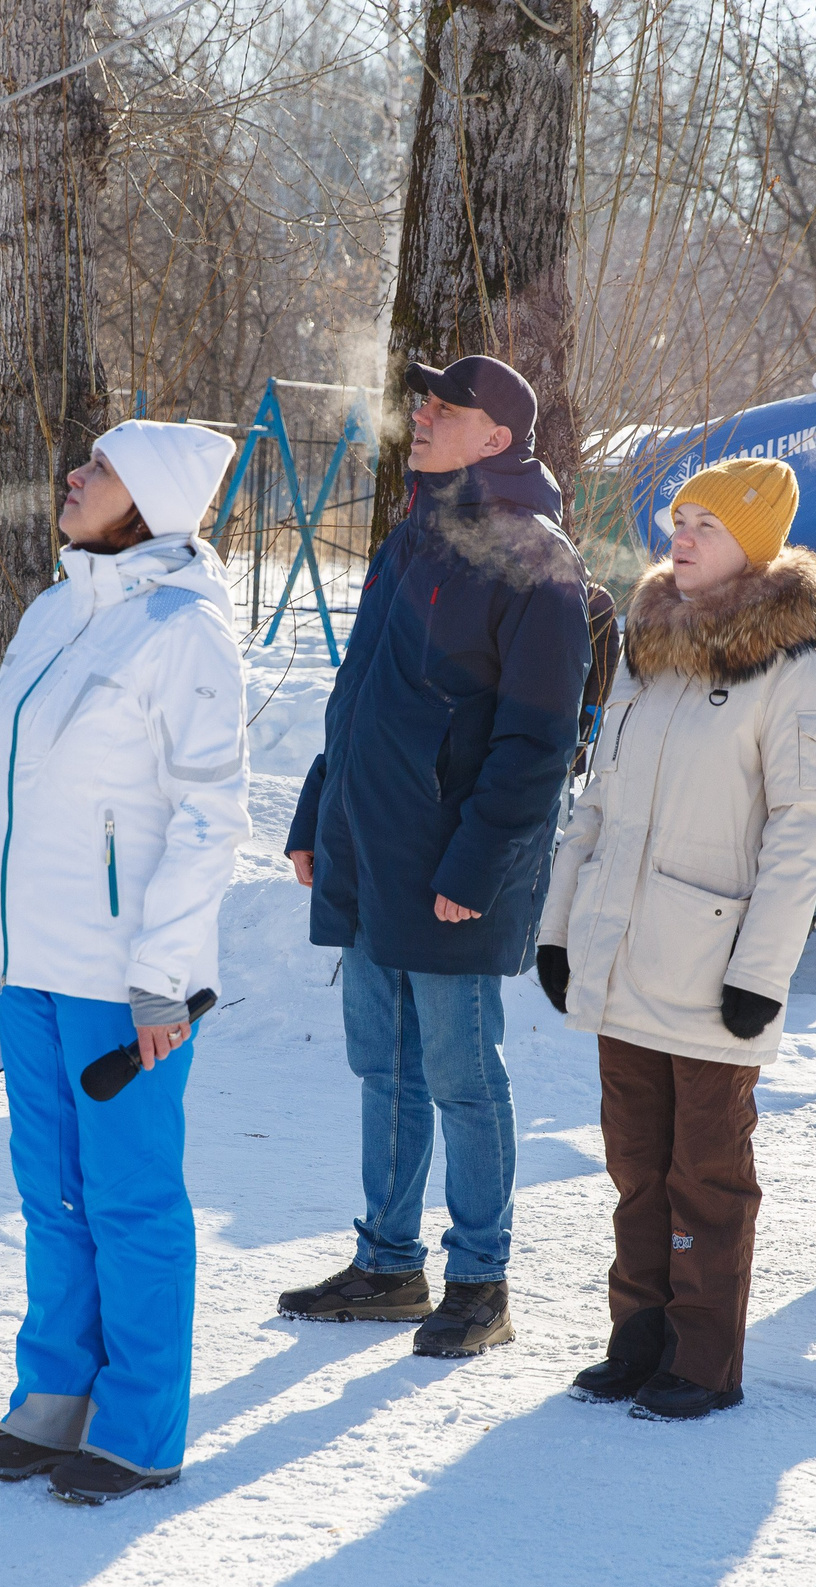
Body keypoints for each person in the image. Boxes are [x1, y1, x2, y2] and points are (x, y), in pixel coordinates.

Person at [0, 419, 247, 1504]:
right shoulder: (59, 610)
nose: (72, 475)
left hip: (123, 980)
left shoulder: (184, 632)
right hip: (31, 967)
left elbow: (209, 815)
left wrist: (165, 972)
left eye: (97, 468)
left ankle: (141, 1426)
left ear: (145, 498)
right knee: (50, 1193)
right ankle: (54, 1401)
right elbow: (11, 793)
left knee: (132, 1199)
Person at [276, 354, 592, 1357]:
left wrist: (476, 868)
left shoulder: (537, 562)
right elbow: (360, 696)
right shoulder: (413, 537)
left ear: (497, 437)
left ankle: (481, 1284)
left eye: (444, 408)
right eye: (421, 402)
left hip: (456, 867)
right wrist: (315, 813)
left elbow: (535, 744)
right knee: (386, 1068)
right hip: (370, 851)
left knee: (461, 1074)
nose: (420, 415)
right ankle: (386, 1266)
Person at [535, 457, 816, 1420]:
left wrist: (761, 972)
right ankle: (639, 1338)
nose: (684, 532)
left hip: (715, 968)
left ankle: (702, 1358)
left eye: (707, 521)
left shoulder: (791, 667)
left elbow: (805, 828)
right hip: (625, 955)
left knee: (704, 1171)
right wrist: (558, 929)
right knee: (634, 1164)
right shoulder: (646, 645)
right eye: (680, 516)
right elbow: (599, 802)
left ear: (752, 542)